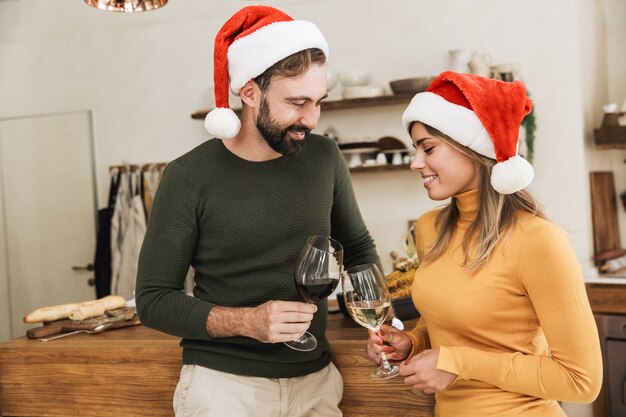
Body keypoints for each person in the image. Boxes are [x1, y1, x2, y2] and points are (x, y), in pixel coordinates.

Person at [135, 5, 380, 417]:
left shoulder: (324, 157)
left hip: (316, 381)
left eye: (318, 102)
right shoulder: (187, 177)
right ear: (249, 93)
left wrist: (375, 320)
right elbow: (154, 300)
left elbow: (357, 247)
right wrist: (247, 322)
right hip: (221, 389)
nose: (312, 119)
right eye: (297, 102)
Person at [365, 71, 602, 416]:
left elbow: (582, 381)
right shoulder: (431, 228)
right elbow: (449, 322)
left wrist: (457, 363)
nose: (416, 163)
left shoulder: (537, 240)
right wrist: (412, 342)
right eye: (415, 149)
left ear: (474, 149)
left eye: (428, 148)